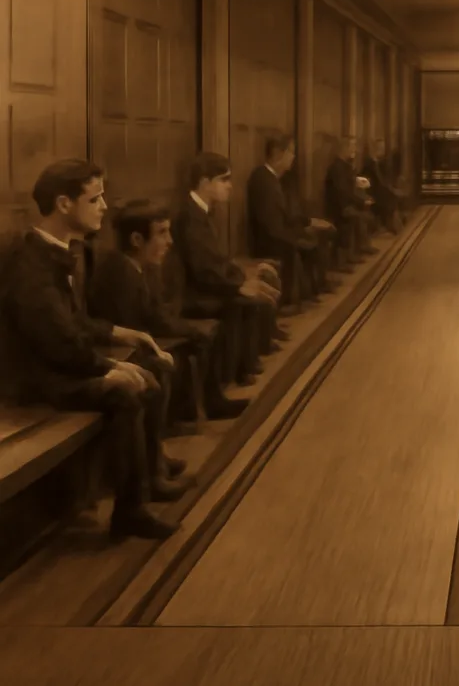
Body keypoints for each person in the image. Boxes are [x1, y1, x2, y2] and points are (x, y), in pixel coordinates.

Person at [0, 160, 188, 540]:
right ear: (65, 204)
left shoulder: (53, 249)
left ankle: (149, 475)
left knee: (146, 365)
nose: (104, 206)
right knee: (125, 392)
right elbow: (56, 341)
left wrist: (123, 334)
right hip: (34, 380)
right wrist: (106, 369)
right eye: (95, 198)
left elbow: (74, 323)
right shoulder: (31, 265)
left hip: (56, 366)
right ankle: (129, 509)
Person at [89, 199, 247, 422]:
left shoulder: (138, 265)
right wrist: (190, 329)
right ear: (137, 240)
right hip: (122, 348)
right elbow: (147, 323)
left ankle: (206, 406)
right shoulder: (120, 272)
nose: (170, 241)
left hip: (140, 336)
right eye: (162, 233)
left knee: (200, 336)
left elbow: (155, 314)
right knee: (187, 346)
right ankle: (185, 418)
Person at [174, 152, 280, 387]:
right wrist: (240, 285)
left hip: (206, 284)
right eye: (224, 179)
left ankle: (241, 365)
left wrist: (242, 276)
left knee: (253, 294)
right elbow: (203, 270)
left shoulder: (202, 211)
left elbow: (216, 260)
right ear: (204, 182)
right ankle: (227, 378)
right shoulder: (190, 217)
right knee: (242, 301)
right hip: (191, 293)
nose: (230, 186)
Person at [247, 133, 333, 303]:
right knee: (305, 243)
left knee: (316, 237)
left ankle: (311, 290)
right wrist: (297, 235)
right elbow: (271, 226)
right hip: (268, 240)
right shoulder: (263, 180)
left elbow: (285, 215)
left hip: (278, 232)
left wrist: (308, 223)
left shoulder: (274, 179)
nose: (293, 157)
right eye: (291, 152)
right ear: (279, 153)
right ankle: (290, 299)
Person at [324, 136, 377, 263]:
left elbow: (351, 189)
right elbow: (343, 193)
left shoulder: (345, 166)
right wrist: (361, 201)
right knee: (360, 217)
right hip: (338, 208)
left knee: (367, 214)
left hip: (346, 204)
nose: (355, 149)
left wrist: (363, 199)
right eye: (352, 146)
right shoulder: (337, 168)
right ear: (344, 148)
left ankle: (357, 250)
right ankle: (344, 257)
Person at [363, 137, 403, 234]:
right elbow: (368, 181)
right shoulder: (369, 163)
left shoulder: (381, 162)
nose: (382, 151)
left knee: (393, 195)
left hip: (380, 190)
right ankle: (388, 223)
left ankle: (391, 222)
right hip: (373, 192)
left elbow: (384, 180)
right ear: (375, 149)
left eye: (383, 148)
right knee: (391, 197)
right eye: (380, 148)